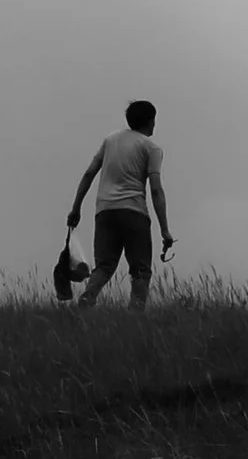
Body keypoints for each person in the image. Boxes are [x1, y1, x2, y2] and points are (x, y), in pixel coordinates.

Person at [66, 99, 171, 308]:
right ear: (150, 121)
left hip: (105, 211)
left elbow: (89, 173)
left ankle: (87, 298)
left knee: (104, 265)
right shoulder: (152, 148)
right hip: (134, 212)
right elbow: (156, 190)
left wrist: (76, 208)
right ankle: (136, 314)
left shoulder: (110, 140)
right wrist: (165, 230)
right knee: (140, 269)